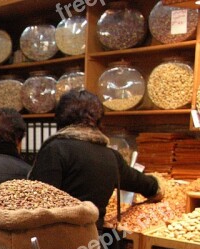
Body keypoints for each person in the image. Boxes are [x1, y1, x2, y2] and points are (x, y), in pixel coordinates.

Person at [29, 90, 162, 237]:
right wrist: (156, 187)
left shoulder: (55, 150)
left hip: (57, 244)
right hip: (93, 244)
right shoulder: (111, 156)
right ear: (98, 121)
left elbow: (37, 204)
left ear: (60, 119)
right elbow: (139, 182)